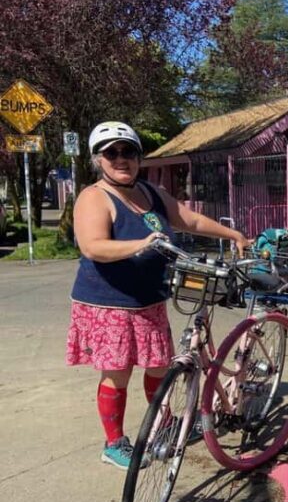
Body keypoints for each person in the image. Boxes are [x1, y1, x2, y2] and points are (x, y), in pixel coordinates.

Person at [65, 121, 251, 470]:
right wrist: (142, 244)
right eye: (112, 152)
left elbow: (188, 220)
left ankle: (163, 423)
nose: (122, 159)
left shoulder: (149, 193)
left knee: (158, 366)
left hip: (150, 299)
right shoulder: (94, 197)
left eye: (129, 151)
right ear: (98, 160)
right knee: (117, 373)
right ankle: (114, 443)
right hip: (109, 303)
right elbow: (93, 247)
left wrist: (233, 234)